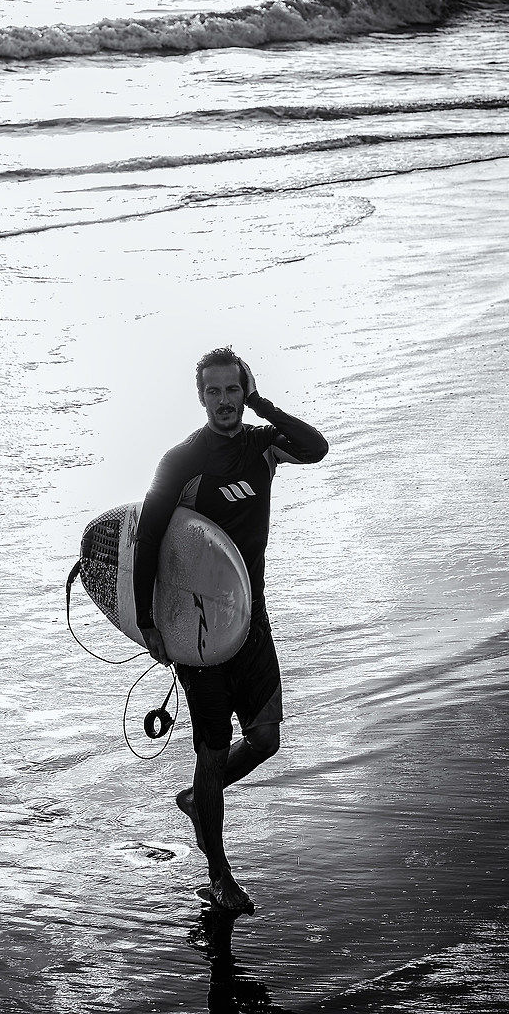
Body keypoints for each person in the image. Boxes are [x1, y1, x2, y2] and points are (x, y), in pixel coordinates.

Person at [133, 347, 328, 913]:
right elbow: (148, 538)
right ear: (200, 397)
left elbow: (315, 448)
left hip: (251, 615)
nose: (224, 401)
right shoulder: (181, 460)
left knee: (265, 739)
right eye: (214, 391)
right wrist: (148, 621)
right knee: (214, 752)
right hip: (199, 632)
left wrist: (265, 405)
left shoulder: (262, 445)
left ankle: (200, 801)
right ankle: (219, 874)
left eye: (233, 389)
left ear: (245, 391)